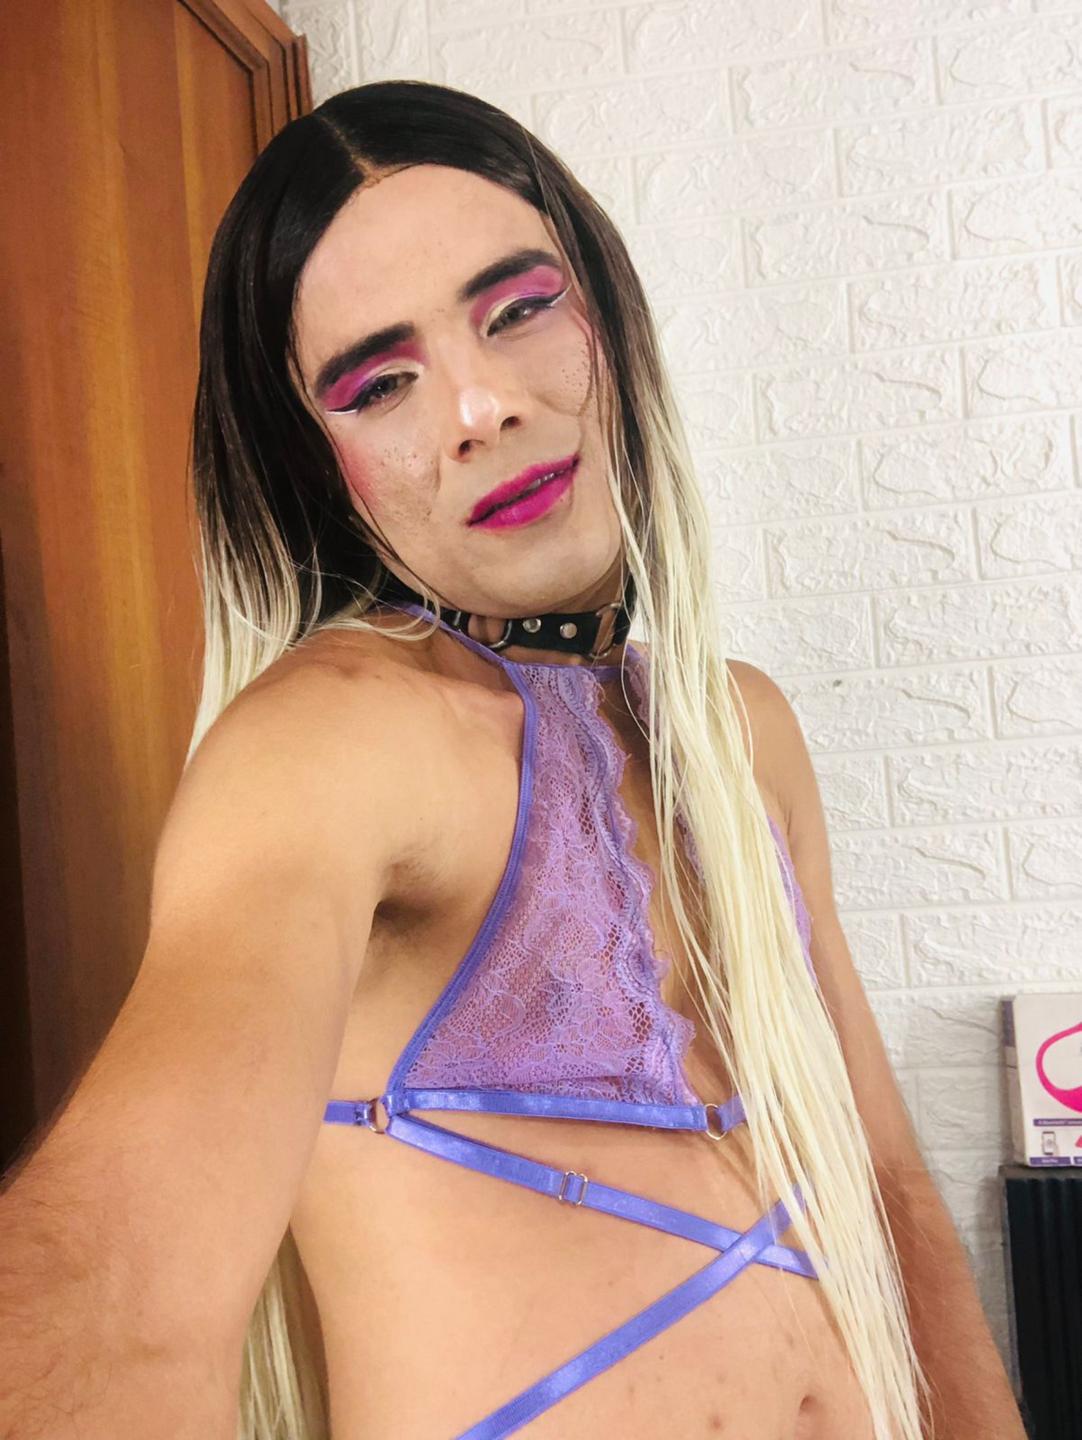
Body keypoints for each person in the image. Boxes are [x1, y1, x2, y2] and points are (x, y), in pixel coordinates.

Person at [0, 80, 1025, 1440]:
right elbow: (117, 1291)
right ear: (320, 464)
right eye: (380, 383)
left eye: (519, 309)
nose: (479, 406)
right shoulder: (331, 746)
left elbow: (887, 1193)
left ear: (609, 315)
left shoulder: (741, 728)